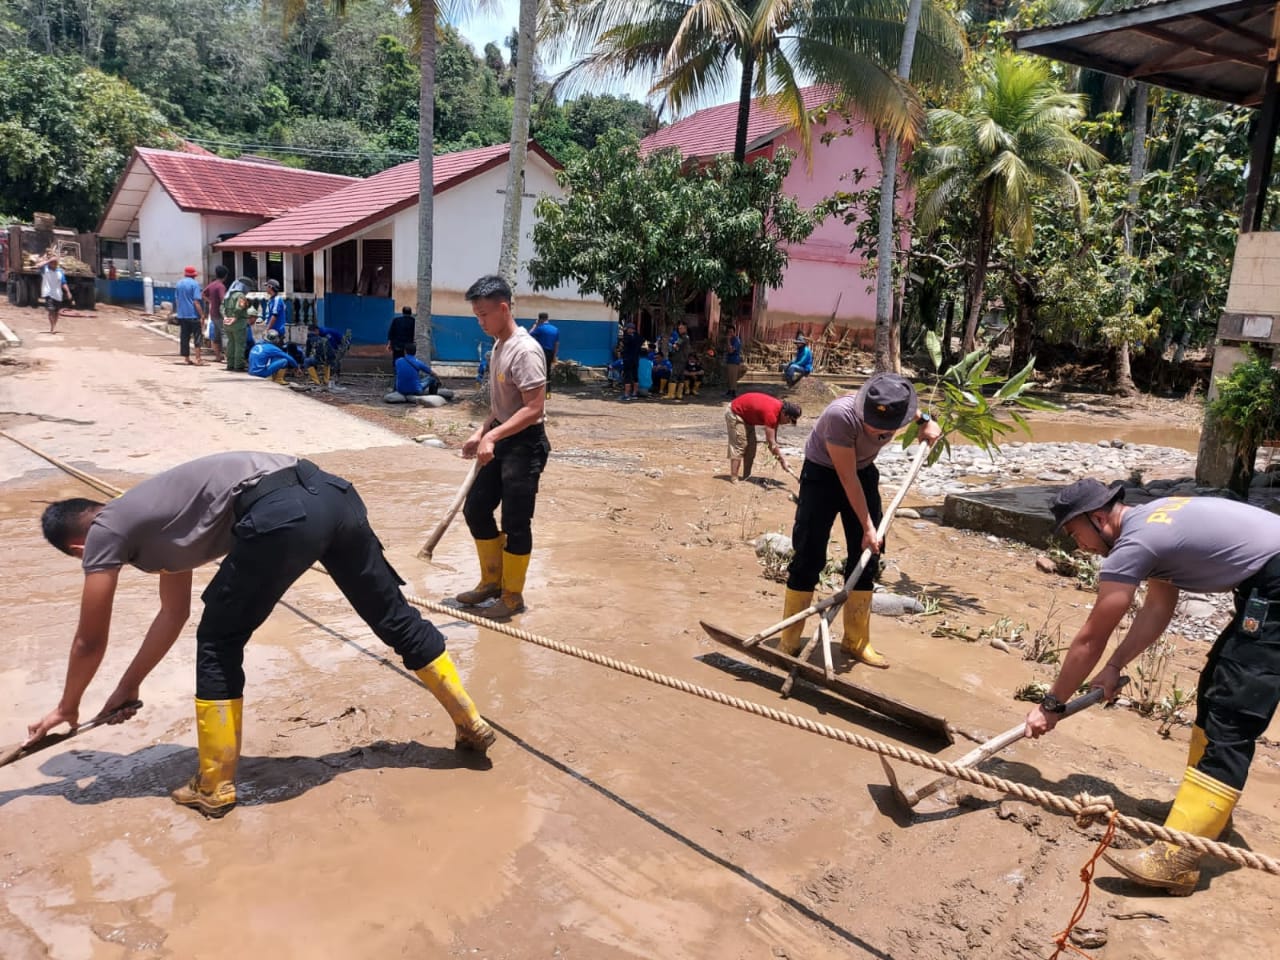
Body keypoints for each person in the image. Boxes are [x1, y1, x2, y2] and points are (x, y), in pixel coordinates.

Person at [28, 453, 494, 819]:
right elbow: (174, 613)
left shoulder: (106, 530)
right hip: (334, 495)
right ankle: (470, 722)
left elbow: (90, 640)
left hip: (281, 509)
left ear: (78, 548)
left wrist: (67, 706)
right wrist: (128, 686)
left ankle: (213, 786)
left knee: (218, 641)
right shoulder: (155, 519)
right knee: (393, 617)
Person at [1025, 480, 1280, 896]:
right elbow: (1159, 607)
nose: (1080, 547)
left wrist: (1052, 704)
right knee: (1217, 685)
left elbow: (1092, 635)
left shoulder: (1136, 544)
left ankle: (1177, 858)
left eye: (1076, 535)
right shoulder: (1151, 524)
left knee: (1233, 711)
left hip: (1275, 584)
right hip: (1267, 585)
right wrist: (1114, 667)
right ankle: (1203, 819)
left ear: (1100, 518)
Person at [779, 373, 940, 667]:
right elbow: (846, 477)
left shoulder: (897, 408)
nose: (879, 430)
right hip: (824, 475)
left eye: (887, 426)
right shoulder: (841, 415)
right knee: (809, 553)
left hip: (864, 472)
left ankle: (856, 641)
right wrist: (868, 526)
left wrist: (926, 421)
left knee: (868, 555)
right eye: (874, 423)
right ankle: (789, 638)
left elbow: (916, 413)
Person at [456, 275, 550, 621]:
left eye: (484, 315)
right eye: (476, 316)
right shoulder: (498, 344)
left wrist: (493, 437)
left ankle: (512, 596)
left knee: (515, 521)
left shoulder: (524, 350)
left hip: (525, 444)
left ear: (503, 308)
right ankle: (491, 583)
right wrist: (480, 431)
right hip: (501, 437)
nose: (480, 322)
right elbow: (502, 404)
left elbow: (533, 408)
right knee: (476, 509)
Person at [725, 393, 801, 482]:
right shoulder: (772, 414)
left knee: (751, 447)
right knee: (741, 444)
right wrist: (782, 461)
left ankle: (746, 477)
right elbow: (770, 442)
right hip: (735, 412)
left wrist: (780, 459)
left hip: (747, 417)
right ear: (784, 414)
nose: (787, 423)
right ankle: (734, 478)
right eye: (788, 420)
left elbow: (772, 443)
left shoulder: (778, 413)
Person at [174, 266, 205, 366]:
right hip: (193, 315)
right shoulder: (195, 284)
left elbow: (177, 300)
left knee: (184, 337)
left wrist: (179, 312)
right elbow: (196, 301)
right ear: (194, 275)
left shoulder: (179, 284)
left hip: (182, 315)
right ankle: (198, 358)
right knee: (197, 336)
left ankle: (186, 359)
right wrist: (202, 314)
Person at [36, 253, 73, 334]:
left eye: (56, 262)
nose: (55, 264)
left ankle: (54, 326)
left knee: (56, 312)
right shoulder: (45, 270)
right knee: (51, 311)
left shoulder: (60, 272)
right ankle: (52, 326)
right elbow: (38, 266)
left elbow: (63, 283)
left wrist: (68, 292)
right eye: (53, 262)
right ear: (50, 263)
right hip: (48, 293)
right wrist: (49, 260)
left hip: (58, 294)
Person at [222, 280, 253, 372]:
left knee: (231, 344)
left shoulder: (228, 295)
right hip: (238, 324)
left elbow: (221, 307)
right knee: (239, 345)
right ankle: (238, 365)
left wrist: (225, 317)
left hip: (227, 324)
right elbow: (239, 308)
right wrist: (235, 318)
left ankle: (230, 364)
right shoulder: (240, 295)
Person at [202, 265, 228, 364]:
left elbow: (203, 294)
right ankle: (226, 357)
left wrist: (211, 302)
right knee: (225, 335)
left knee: (217, 336)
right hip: (220, 315)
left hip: (213, 314)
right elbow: (223, 300)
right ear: (225, 276)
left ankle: (218, 356)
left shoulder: (212, 284)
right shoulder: (221, 286)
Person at [530, 312, 559, 395]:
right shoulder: (555, 329)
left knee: (539, 371)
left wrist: (535, 325)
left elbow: (529, 335)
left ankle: (539, 393)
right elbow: (556, 344)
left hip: (541, 353)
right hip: (550, 353)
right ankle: (548, 393)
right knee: (548, 372)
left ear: (540, 319)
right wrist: (554, 356)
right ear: (547, 318)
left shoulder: (539, 328)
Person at [666, 321, 691, 400]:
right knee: (681, 377)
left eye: (681, 328)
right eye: (679, 328)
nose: (679, 329)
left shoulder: (682, 337)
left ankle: (671, 394)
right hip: (682, 359)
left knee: (674, 375)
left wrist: (673, 345)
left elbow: (676, 346)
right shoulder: (686, 337)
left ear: (685, 329)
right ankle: (679, 394)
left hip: (678, 359)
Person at [620, 321, 642, 402]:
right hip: (636, 360)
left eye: (627, 329)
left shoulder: (627, 337)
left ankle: (626, 395)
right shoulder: (638, 337)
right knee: (635, 377)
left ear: (629, 329)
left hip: (628, 359)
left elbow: (623, 344)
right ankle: (634, 394)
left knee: (627, 377)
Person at [723, 324, 743, 398]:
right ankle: (729, 390)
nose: (730, 334)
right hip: (729, 360)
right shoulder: (730, 340)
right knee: (729, 376)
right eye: (728, 332)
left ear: (734, 332)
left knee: (733, 376)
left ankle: (733, 391)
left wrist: (728, 340)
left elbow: (731, 350)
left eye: (731, 332)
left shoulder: (736, 340)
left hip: (734, 360)